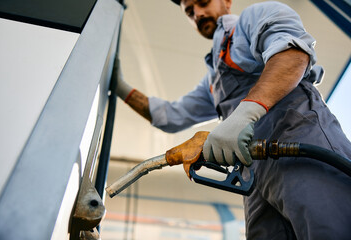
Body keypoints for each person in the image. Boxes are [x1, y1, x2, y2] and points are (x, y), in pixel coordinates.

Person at [114, 0, 351, 239]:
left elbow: (292, 55)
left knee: (328, 229)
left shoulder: (252, 19)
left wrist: (244, 114)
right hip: (254, 173)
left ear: (227, 1)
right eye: (189, 11)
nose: (197, 13)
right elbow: (170, 116)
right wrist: (121, 88)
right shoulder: (213, 79)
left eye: (203, 2)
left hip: (298, 138)